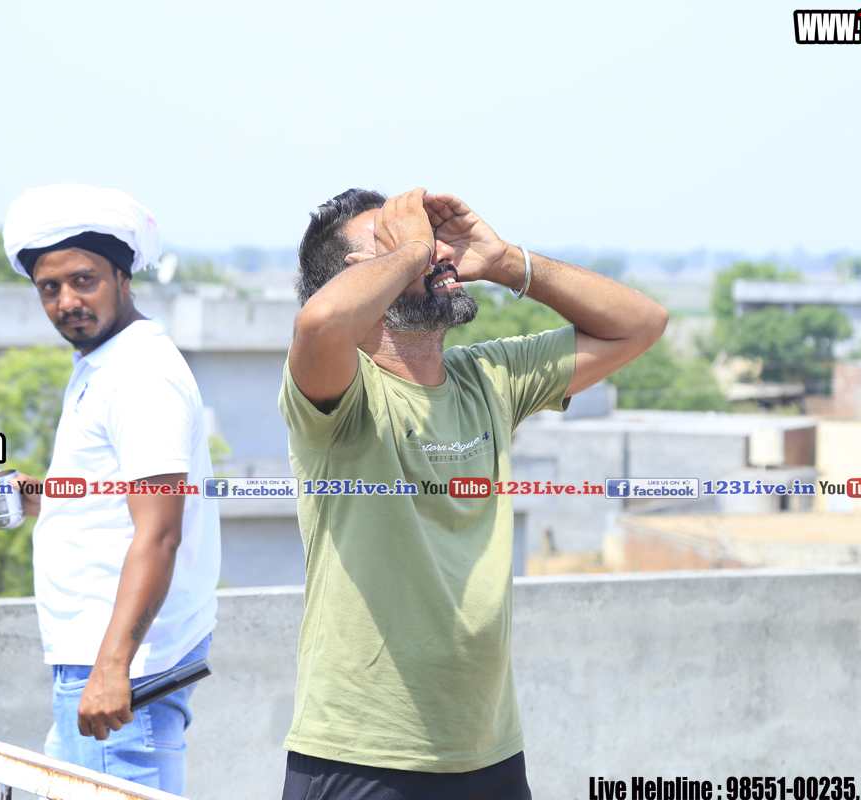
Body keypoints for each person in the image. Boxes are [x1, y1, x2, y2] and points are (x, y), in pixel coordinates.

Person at [278, 187, 668, 799]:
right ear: (359, 274)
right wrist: (410, 251)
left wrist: (507, 261)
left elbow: (642, 324)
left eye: (431, 238)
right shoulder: (342, 395)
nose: (435, 251)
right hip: (363, 754)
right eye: (400, 238)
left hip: (489, 751)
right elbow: (320, 323)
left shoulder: (489, 380)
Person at [0, 184, 221, 792]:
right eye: (49, 288)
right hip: (97, 662)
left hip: (121, 671)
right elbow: (126, 499)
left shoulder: (139, 377)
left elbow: (160, 534)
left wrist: (114, 666)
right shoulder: (106, 362)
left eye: (83, 280)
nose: (67, 301)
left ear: (122, 276)